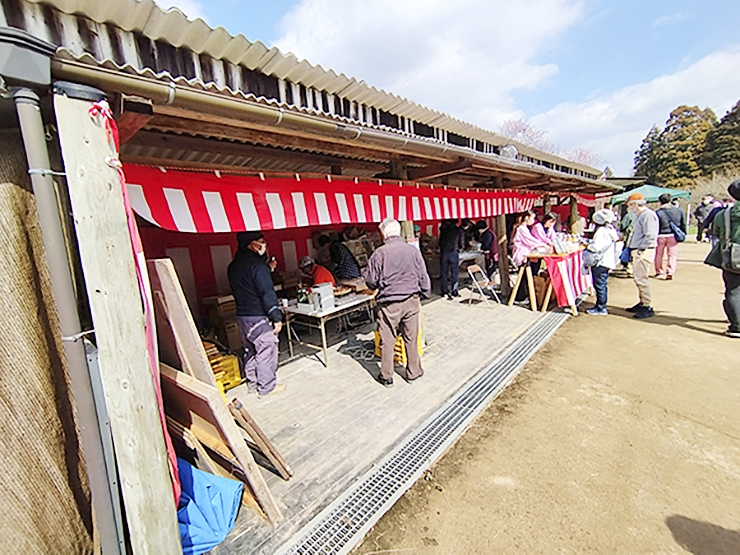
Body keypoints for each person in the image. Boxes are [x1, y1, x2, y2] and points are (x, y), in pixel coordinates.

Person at [364, 218, 431, 388]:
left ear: (383, 234)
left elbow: (370, 281)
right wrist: (424, 293)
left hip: (389, 303)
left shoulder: (379, 253)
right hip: (411, 299)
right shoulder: (412, 250)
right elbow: (423, 274)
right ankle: (413, 372)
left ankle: (387, 376)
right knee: (411, 337)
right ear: (399, 231)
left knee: (388, 340)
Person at [228, 231, 285, 397]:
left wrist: (267, 268)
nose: (264, 244)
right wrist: (276, 317)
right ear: (252, 244)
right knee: (266, 349)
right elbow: (266, 292)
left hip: (242, 315)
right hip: (258, 316)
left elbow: (247, 283)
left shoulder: (233, 266)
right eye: (261, 241)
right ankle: (267, 387)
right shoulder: (257, 266)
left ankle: (252, 383)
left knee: (250, 350)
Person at [705, 181, 740, 338]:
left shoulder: (723, 214)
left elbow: (717, 233)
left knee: (733, 291)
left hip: (731, 256)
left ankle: (736, 326)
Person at [625, 192, 659, 319]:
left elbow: (650, 234)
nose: (629, 208)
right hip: (639, 249)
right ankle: (642, 302)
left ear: (635, 204)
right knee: (638, 277)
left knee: (641, 278)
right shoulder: (642, 215)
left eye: (629, 205)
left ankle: (647, 305)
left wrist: (642, 248)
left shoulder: (648, 215)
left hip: (643, 251)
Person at [586, 209, 619, 315]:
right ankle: (601, 305)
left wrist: (588, 245)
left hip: (600, 262)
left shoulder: (601, 231)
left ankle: (601, 307)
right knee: (602, 284)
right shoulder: (610, 229)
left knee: (599, 285)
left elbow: (596, 247)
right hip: (607, 261)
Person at [655, 193, 687, 280]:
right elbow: (683, 223)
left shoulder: (658, 212)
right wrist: (683, 233)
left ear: (660, 202)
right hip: (673, 235)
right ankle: (670, 271)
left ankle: (659, 271)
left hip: (660, 235)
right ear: (670, 200)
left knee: (658, 254)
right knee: (672, 254)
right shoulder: (679, 211)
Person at [438, 219, 465, 299]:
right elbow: (461, 244)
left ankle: (444, 291)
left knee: (444, 273)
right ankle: (454, 290)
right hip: (454, 252)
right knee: (455, 273)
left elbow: (440, 242)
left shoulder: (443, 230)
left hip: (444, 253)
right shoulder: (459, 230)